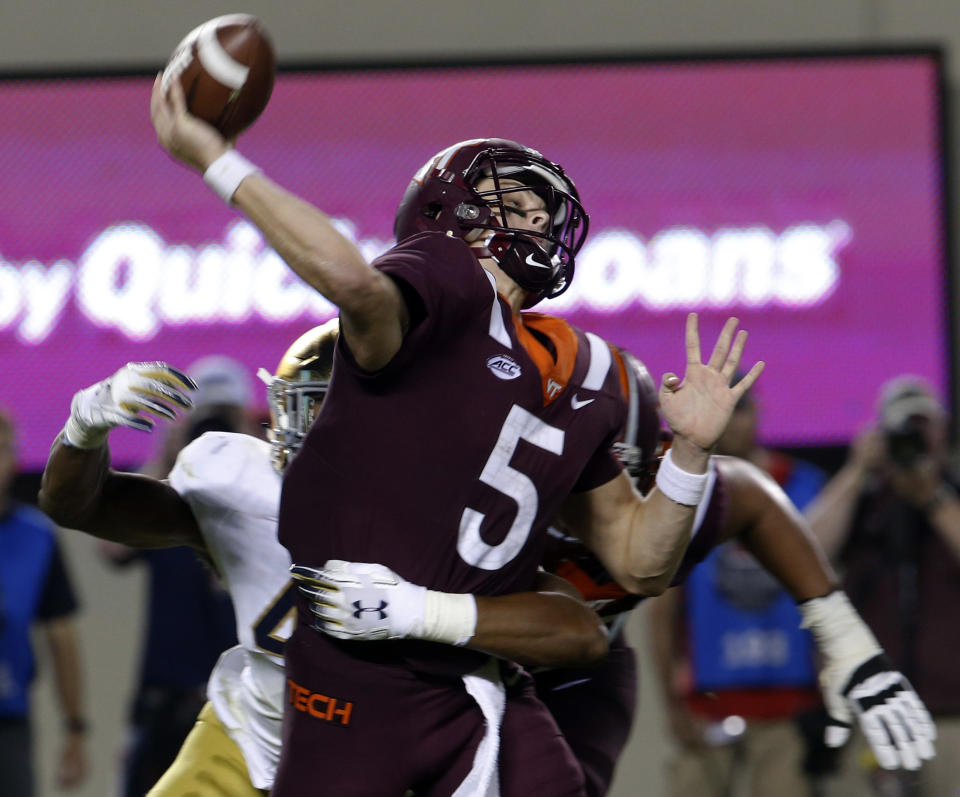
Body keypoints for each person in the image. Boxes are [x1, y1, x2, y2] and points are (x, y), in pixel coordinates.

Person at [151, 75, 764, 795]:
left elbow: (639, 561)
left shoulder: (591, 369)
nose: (540, 214)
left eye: (545, 207)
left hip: (473, 668)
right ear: (451, 214)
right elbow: (354, 285)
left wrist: (690, 454)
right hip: (357, 672)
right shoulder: (444, 283)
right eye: (516, 197)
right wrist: (218, 158)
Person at [296, 352, 936, 795]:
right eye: (586, 474)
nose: (607, 493)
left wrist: (852, 649)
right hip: (453, 658)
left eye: (621, 471)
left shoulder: (677, 492)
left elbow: (754, 503)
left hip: (575, 670)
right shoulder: (487, 496)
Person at [38, 323, 614, 796]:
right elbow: (82, 507)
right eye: (316, 412)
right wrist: (83, 429)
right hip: (257, 729)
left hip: (391, 754)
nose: (330, 438)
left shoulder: (453, 510)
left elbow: (578, 630)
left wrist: (422, 612)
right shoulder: (240, 483)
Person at [648, 386, 831, 797]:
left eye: (741, 409)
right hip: (706, 700)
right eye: (723, 410)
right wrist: (671, 703)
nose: (733, 420)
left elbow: (832, 590)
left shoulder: (807, 487)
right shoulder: (682, 492)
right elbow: (663, 607)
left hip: (790, 701)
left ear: (759, 413)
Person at [805, 376, 960, 795]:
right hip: (871, 718)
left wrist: (933, 498)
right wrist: (857, 472)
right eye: (903, 427)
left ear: (942, 430)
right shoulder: (863, 502)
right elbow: (802, 551)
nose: (914, 437)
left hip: (950, 717)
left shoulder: (955, 497)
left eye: (922, 425)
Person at [99, 357, 247, 796]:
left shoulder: (264, 492)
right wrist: (168, 452)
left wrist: (256, 450)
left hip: (239, 697)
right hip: (163, 696)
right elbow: (111, 547)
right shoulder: (170, 491)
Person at [0, 408, 88, 796]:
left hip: (9, 722)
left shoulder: (37, 538)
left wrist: (75, 727)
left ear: (14, 458)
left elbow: (60, 635)